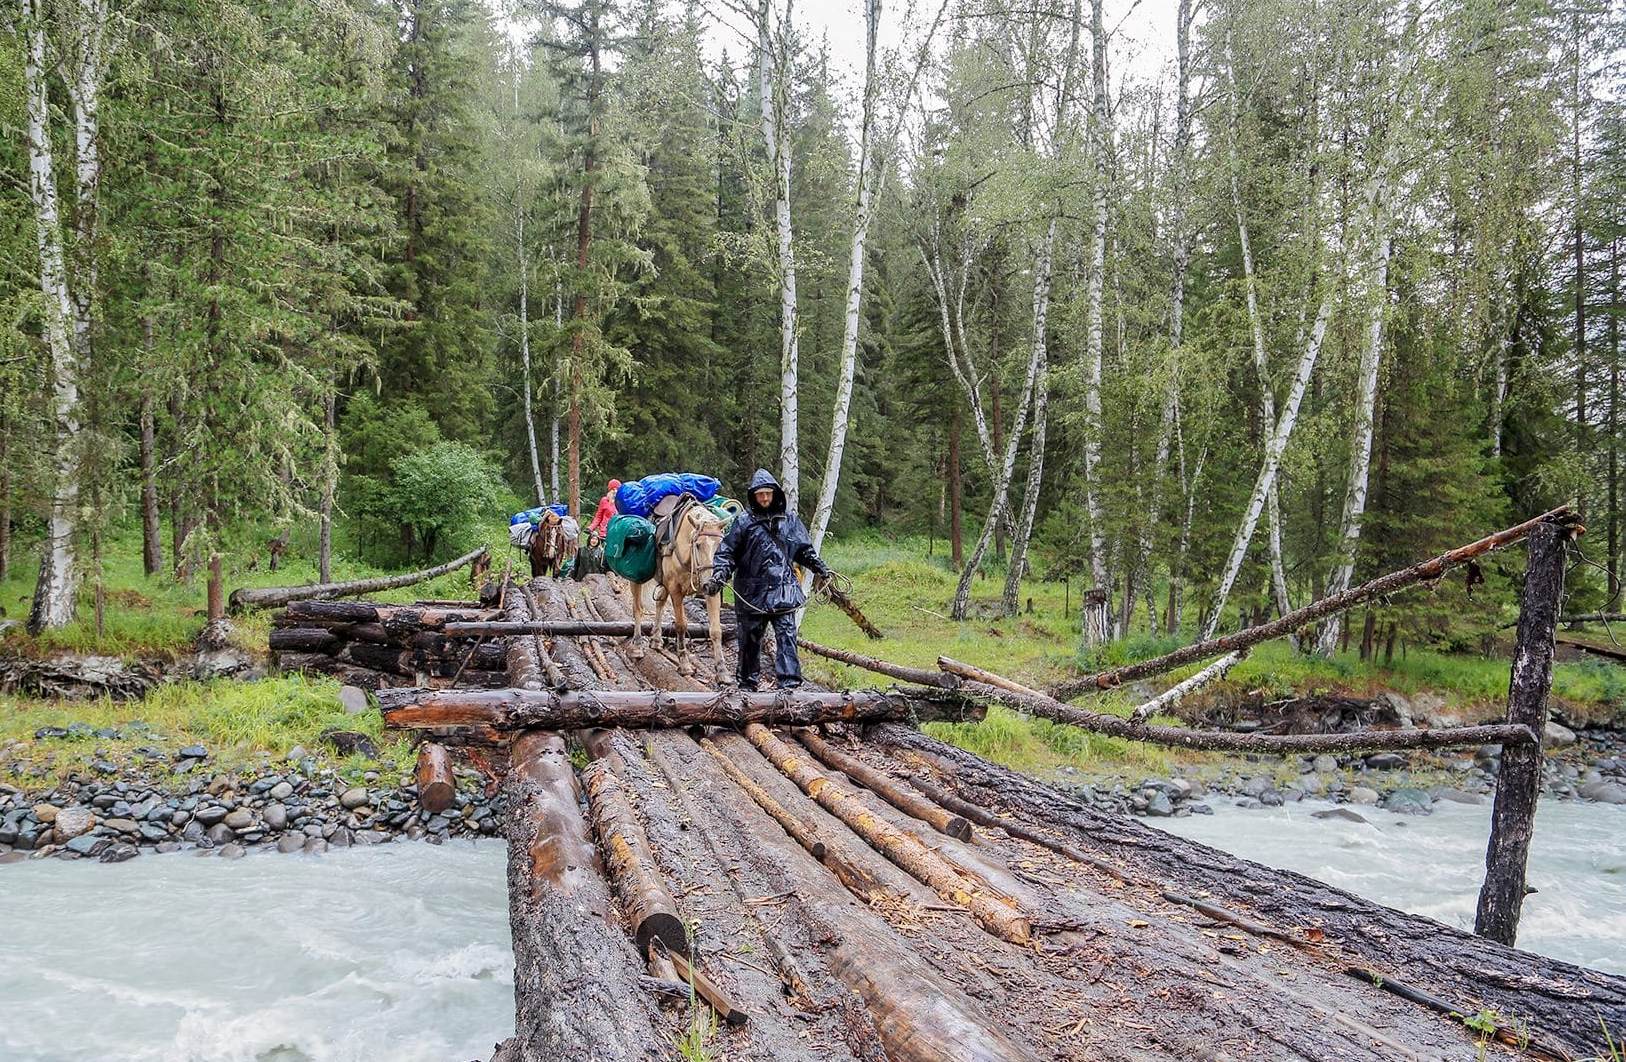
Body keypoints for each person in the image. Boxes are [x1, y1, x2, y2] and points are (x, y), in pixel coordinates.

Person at [703, 468, 833, 690]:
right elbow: (727, 554)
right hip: (751, 595)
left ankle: (790, 688)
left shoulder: (790, 520)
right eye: (759, 494)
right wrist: (719, 577)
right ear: (753, 495)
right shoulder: (743, 522)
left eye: (767, 493)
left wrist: (820, 568)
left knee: (787, 638)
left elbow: (803, 550)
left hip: (783, 591)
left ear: (775, 494)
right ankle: (746, 687)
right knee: (749, 642)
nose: (764, 498)